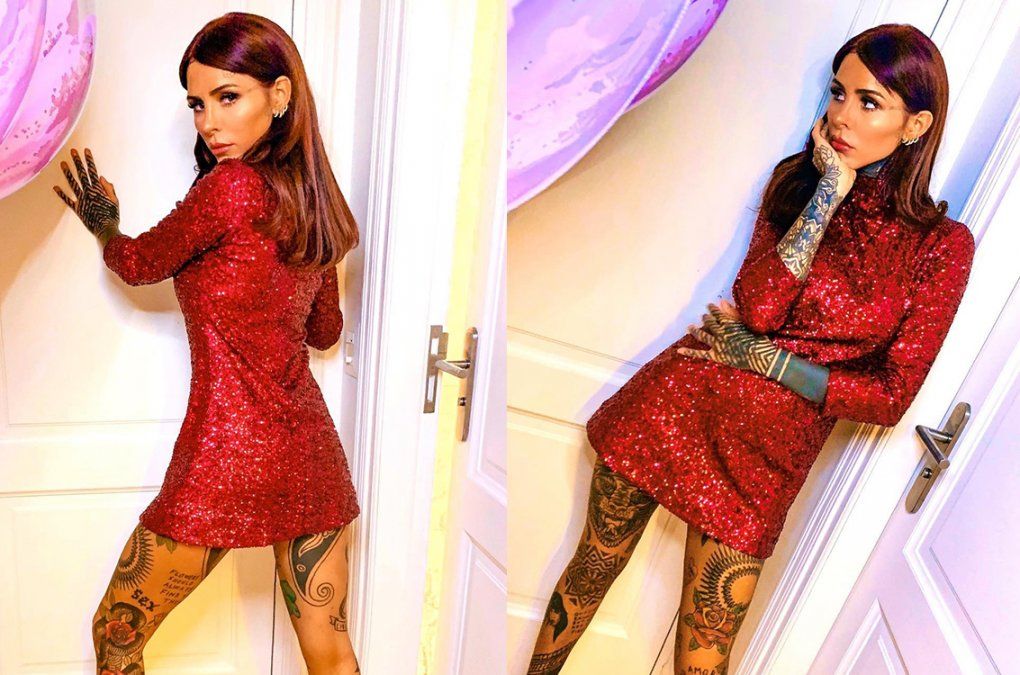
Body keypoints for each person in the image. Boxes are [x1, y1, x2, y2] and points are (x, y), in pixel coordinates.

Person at [526, 23, 975, 675]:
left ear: (916, 125)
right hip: (676, 408)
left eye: (868, 102)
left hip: (764, 464)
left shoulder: (941, 246)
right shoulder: (797, 182)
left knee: (704, 656)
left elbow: (888, 397)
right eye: (837, 92)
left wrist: (766, 359)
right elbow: (761, 308)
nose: (842, 115)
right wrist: (827, 194)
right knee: (588, 576)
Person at [52, 12, 362, 675]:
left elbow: (140, 262)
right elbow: (325, 332)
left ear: (279, 95)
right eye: (197, 104)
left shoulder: (231, 188)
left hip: (225, 457)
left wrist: (106, 226)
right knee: (333, 657)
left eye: (227, 97)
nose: (209, 123)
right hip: (310, 457)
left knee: (116, 634)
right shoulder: (315, 205)